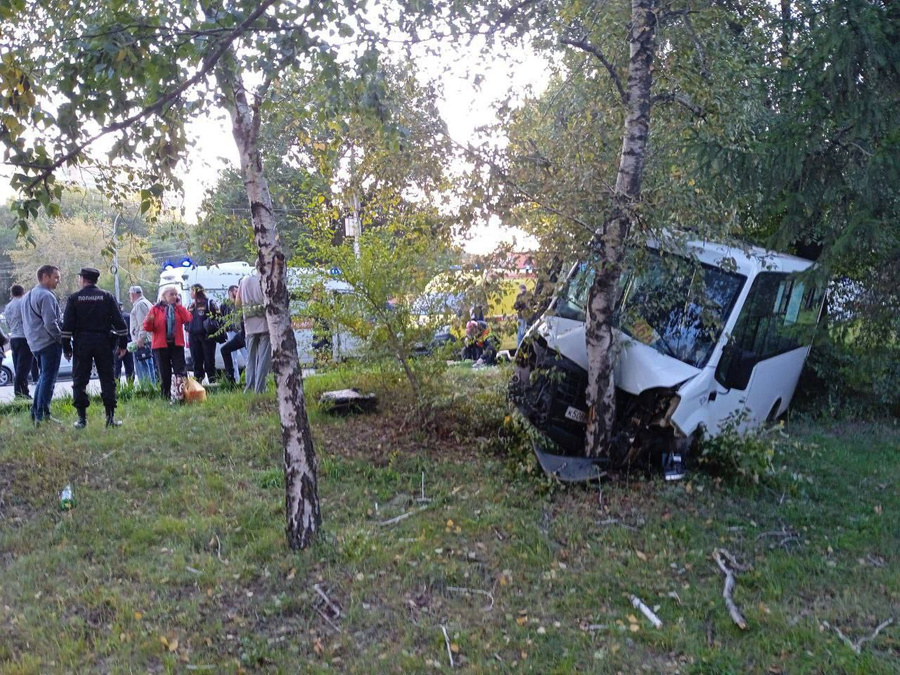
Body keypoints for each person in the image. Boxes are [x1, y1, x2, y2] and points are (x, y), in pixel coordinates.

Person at [61, 267, 129, 428]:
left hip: (82, 343)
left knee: (79, 380)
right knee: (107, 379)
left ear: (83, 279)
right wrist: (123, 345)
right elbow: (121, 324)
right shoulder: (107, 296)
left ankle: (82, 419)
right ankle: (110, 418)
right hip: (104, 342)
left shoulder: (74, 298)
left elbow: (66, 327)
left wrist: (66, 348)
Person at [21, 265, 63, 423]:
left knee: (43, 378)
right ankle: (43, 415)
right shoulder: (46, 296)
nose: (58, 281)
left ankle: (36, 413)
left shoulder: (28, 295)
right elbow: (51, 323)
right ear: (45, 276)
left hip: (35, 344)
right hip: (48, 343)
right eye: (56, 277)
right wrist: (61, 340)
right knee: (48, 379)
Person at [143, 286, 192, 401]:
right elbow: (148, 327)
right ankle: (165, 397)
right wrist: (149, 320)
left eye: (176, 294)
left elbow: (188, 319)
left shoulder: (178, 308)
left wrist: (179, 306)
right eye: (172, 294)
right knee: (164, 373)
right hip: (161, 345)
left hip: (176, 344)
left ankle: (183, 396)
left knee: (180, 371)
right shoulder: (155, 309)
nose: (174, 297)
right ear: (164, 296)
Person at [239, 273, 270, 393]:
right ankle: (260, 388)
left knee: (250, 359)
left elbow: (237, 301)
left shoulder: (244, 279)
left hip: (249, 325)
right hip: (264, 323)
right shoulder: (264, 279)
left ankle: (249, 387)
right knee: (263, 359)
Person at [5, 284, 35, 399]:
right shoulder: (24, 303)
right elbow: (29, 320)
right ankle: (20, 393)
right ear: (23, 292)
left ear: (12, 294)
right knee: (24, 368)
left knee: (18, 367)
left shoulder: (8, 307)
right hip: (24, 338)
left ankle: (23, 391)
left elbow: (7, 324)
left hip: (14, 338)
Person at [186, 284, 220, 384]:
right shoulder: (191, 305)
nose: (190, 293)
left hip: (207, 336)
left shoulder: (210, 303)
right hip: (193, 336)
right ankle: (198, 383)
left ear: (196, 291)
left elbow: (218, 317)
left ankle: (212, 381)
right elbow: (186, 320)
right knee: (196, 361)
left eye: (191, 291)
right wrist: (188, 327)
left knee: (209, 361)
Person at [128, 285, 157, 385]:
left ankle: (147, 390)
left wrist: (140, 338)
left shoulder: (140, 304)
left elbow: (143, 323)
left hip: (142, 341)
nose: (130, 297)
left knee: (143, 367)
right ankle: (151, 388)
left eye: (130, 294)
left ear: (133, 294)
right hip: (148, 340)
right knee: (149, 365)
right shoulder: (146, 302)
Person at [220, 284, 246, 385]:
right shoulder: (225, 304)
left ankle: (249, 378)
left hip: (239, 332)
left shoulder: (240, 303)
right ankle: (235, 379)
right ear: (231, 292)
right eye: (236, 291)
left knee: (246, 355)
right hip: (231, 331)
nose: (237, 293)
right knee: (232, 357)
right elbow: (222, 317)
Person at [113, 302, 135, 385]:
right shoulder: (128, 316)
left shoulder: (111, 318)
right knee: (129, 367)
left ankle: (116, 386)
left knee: (116, 368)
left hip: (116, 345)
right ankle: (130, 386)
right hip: (128, 344)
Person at [513, 283, 530, 348]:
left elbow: (516, 306)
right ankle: (522, 348)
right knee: (522, 333)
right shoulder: (529, 295)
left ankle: (519, 348)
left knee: (520, 334)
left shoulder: (519, 296)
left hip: (521, 317)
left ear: (520, 289)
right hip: (527, 317)